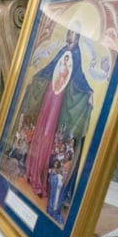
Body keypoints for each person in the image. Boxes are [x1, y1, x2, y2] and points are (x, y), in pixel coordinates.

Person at [21, 20, 93, 198]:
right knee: (42, 129)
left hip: (60, 98)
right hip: (51, 95)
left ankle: (41, 175)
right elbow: (50, 67)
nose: (72, 36)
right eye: (71, 32)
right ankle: (33, 170)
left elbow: (79, 76)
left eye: (76, 33)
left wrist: (89, 90)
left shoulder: (76, 54)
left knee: (50, 132)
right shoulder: (63, 50)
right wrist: (35, 76)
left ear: (79, 36)